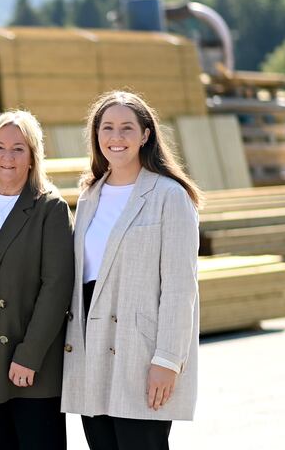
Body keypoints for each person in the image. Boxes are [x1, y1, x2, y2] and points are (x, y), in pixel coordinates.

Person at [61, 90, 202, 450]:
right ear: (96, 136)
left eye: (127, 128)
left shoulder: (170, 196)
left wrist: (168, 359)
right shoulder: (90, 195)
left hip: (140, 354)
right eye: (107, 128)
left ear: (145, 135)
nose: (116, 137)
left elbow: (179, 287)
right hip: (91, 353)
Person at [0, 110, 74, 450]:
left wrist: (29, 355)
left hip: (28, 365)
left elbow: (56, 289)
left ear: (33, 156)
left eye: (18, 148)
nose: (7, 157)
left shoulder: (49, 209)